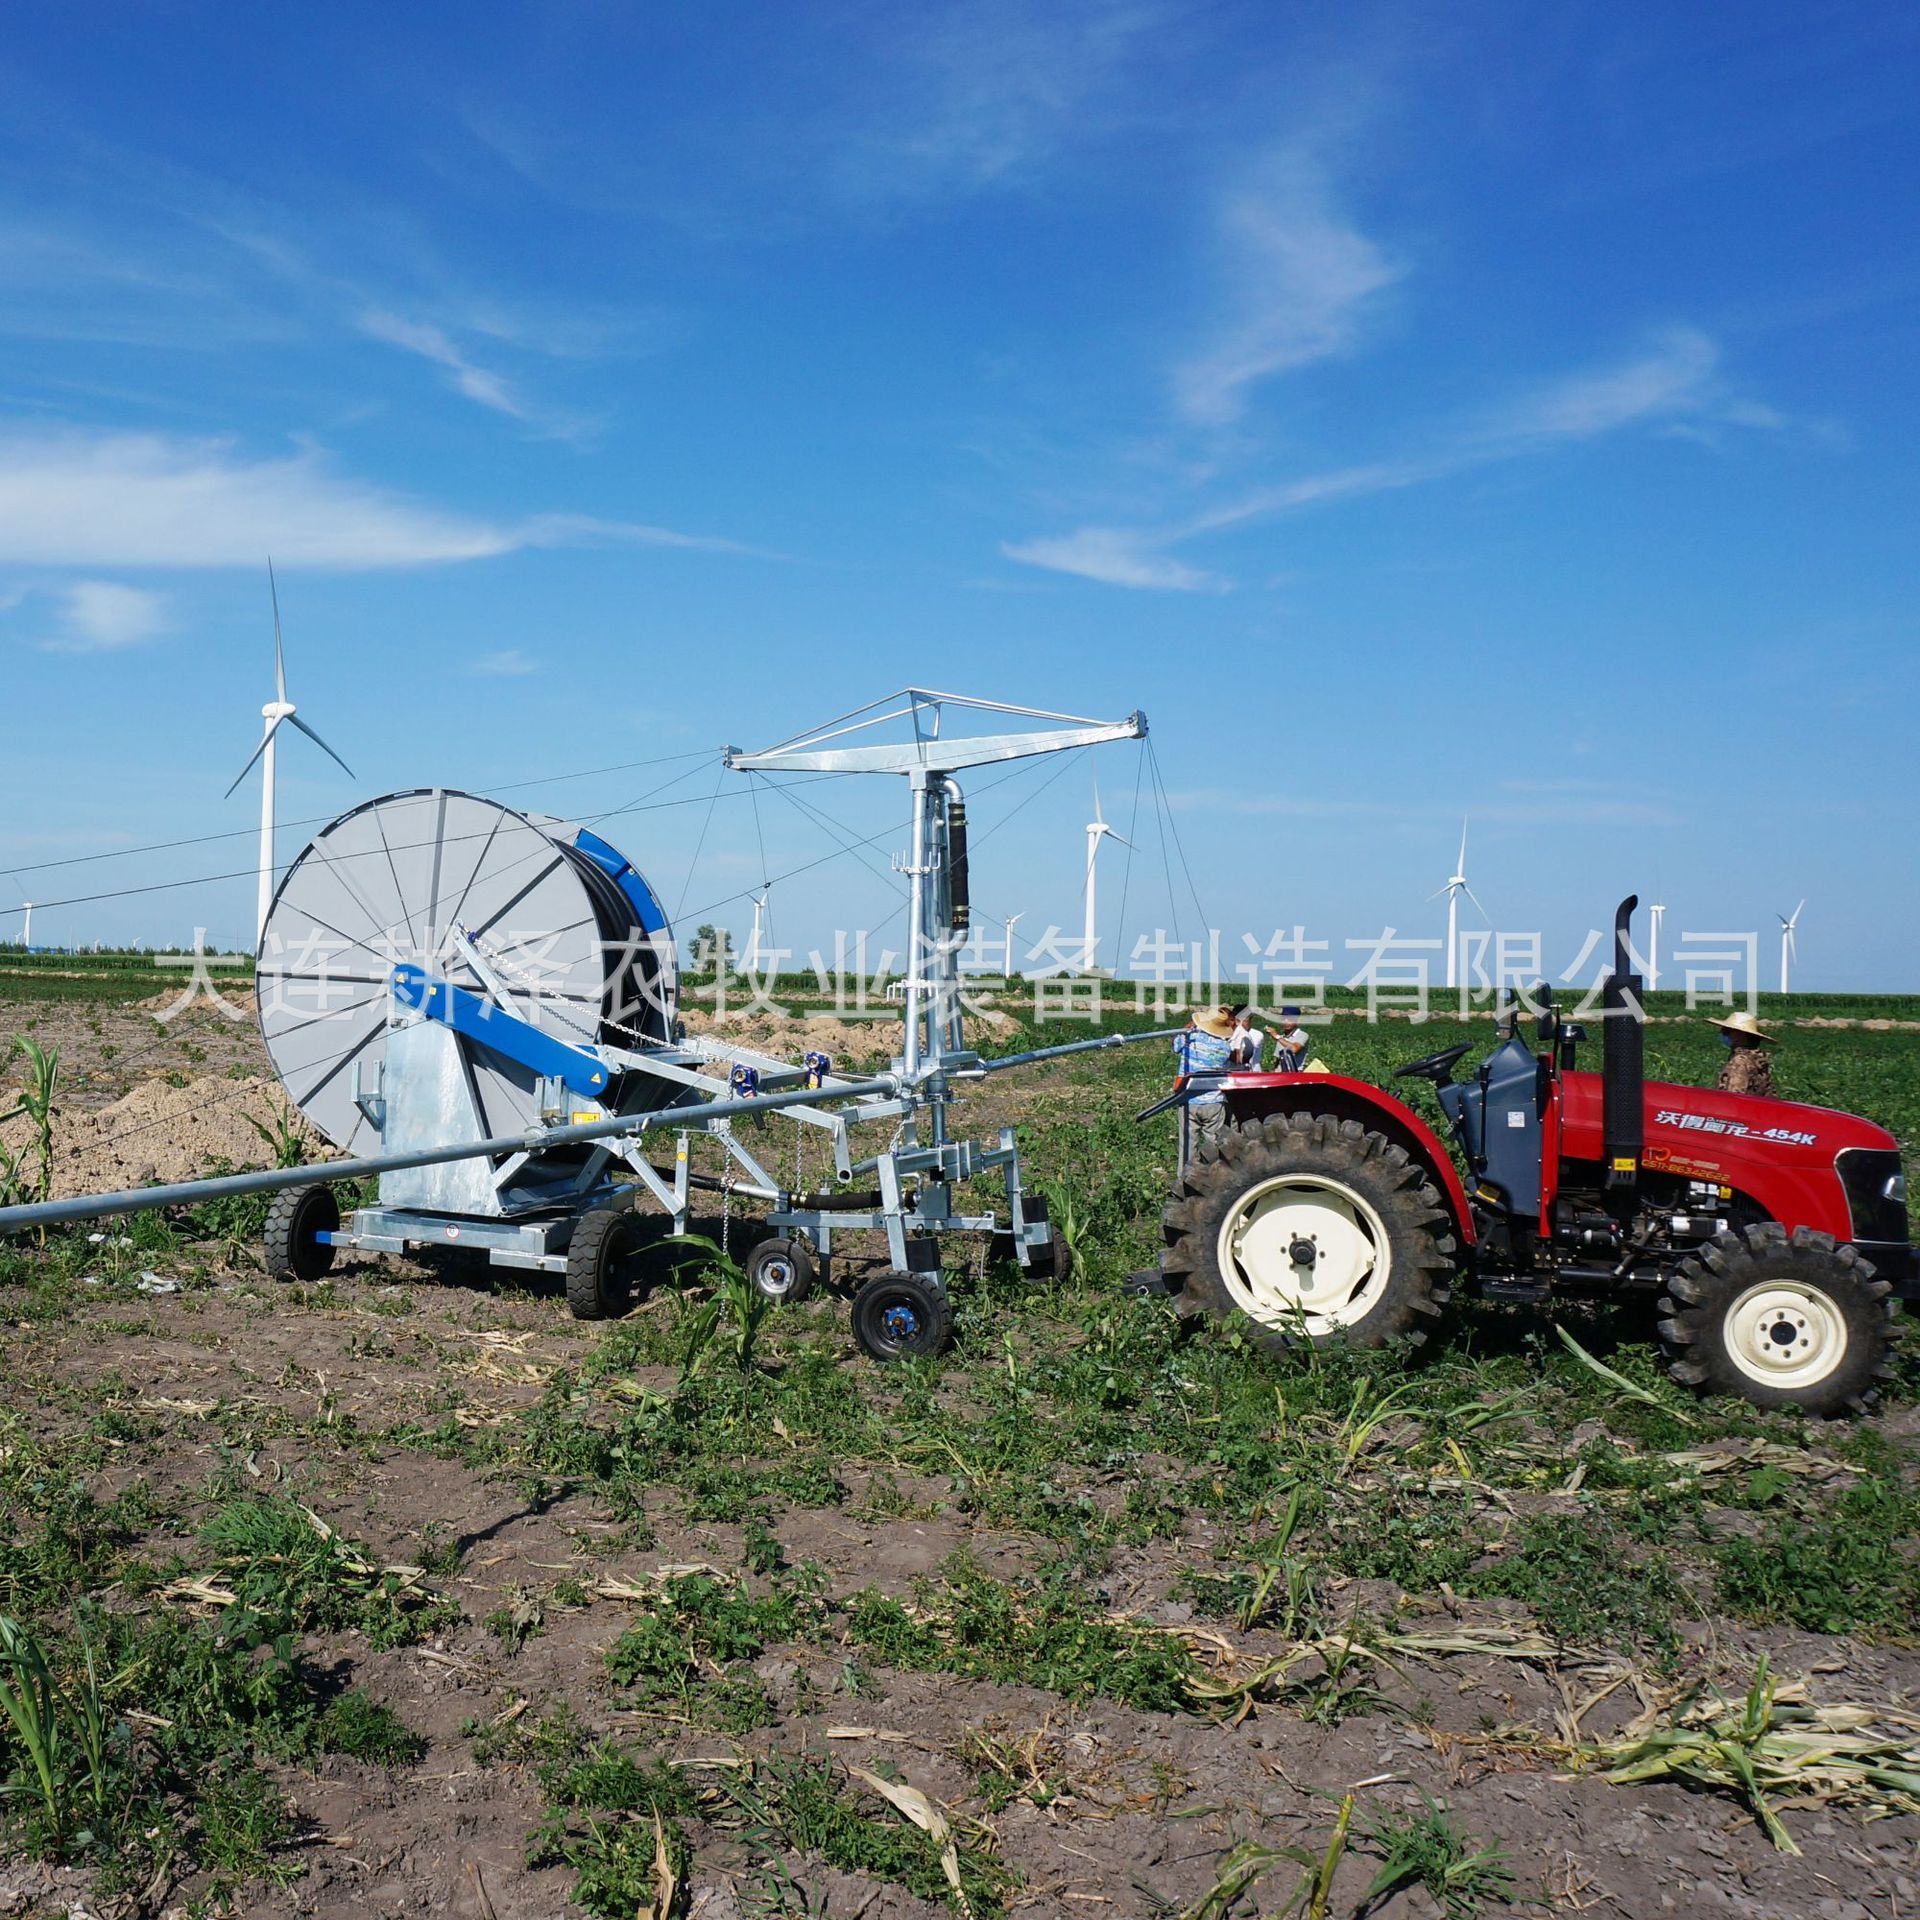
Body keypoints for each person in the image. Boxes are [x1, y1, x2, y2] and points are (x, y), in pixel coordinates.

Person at [1174, 1005, 1235, 1145]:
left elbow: (1175, 1045)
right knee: (1214, 1146)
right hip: (1214, 1101)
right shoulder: (1225, 1047)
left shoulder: (1190, 1038)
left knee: (1187, 1145)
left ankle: (1187, 1167)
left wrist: (1186, 1029)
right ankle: (1214, 1167)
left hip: (1189, 1099)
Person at [1715, 1010, 1778, 1097]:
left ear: (1740, 1035)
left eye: (1727, 1031)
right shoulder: (1758, 1058)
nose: (1722, 1033)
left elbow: (1734, 1096)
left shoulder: (1740, 1062)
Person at [1273, 1004, 1310, 1074]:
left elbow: (1294, 1049)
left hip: (1294, 1074)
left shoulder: (1302, 1035)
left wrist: (1276, 1036)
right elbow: (1278, 1060)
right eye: (1284, 1019)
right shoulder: (1282, 1038)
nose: (1286, 1022)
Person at [1227, 1004, 1264, 1072]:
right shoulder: (1228, 1034)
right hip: (1231, 1071)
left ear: (1250, 1020)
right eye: (1238, 1020)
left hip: (1251, 1072)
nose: (1240, 1024)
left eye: (1244, 1020)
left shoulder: (1257, 1035)